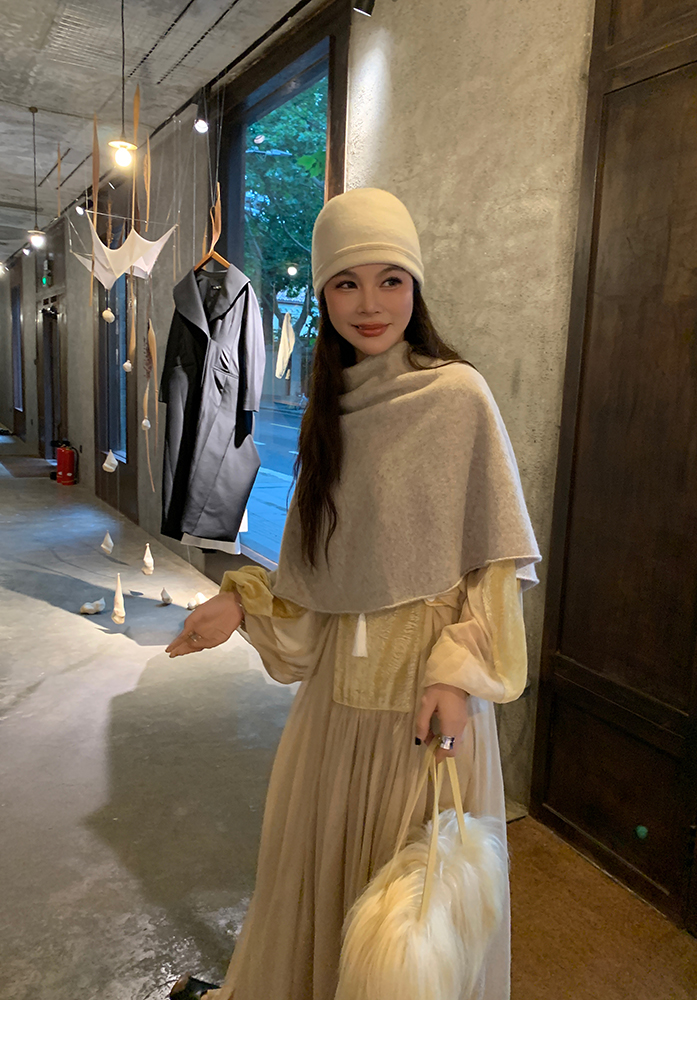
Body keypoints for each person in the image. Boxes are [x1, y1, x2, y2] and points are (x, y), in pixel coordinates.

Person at [165, 187, 541, 1000]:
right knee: (322, 893)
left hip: (425, 706)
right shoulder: (329, 411)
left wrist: (457, 676)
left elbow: (493, 569)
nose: (369, 304)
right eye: (346, 283)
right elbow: (315, 577)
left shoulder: (459, 395)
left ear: (415, 285)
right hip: (336, 711)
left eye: (389, 280)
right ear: (325, 293)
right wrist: (239, 604)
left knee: (410, 927)